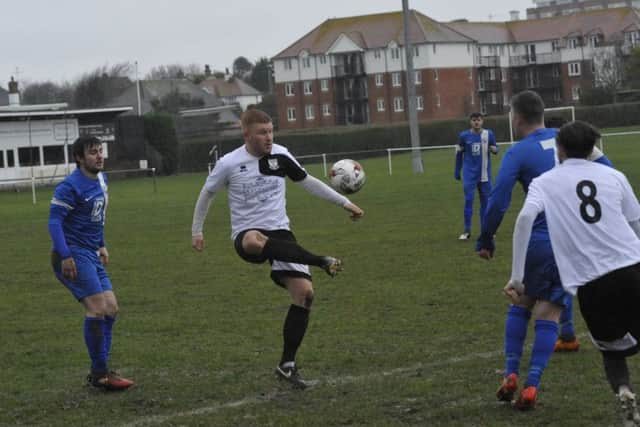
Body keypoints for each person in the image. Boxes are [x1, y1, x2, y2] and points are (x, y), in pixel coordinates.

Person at [191, 109, 364, 389]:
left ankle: (287, 365)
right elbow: (207, 193)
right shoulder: (229, 163)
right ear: (246, 134)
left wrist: (345, 203)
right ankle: (321, 260)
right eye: (262, 132)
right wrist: (197, 231)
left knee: (305, 295)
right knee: (252, 240)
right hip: (247, 234)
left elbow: (308, 182)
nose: (268, 137)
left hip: (281, 235)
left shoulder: (281, 155)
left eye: (271, 131)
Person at [476, 91, 611, 409]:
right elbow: (609, 172)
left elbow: (498, 199)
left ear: (517, 118)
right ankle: (532, 385)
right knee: (550, 310)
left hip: (536, 239)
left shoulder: (518, 152)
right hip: (572, 242)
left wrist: (486, 239)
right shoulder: (572, 139)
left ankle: (510, 373)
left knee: (521, 303)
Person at [507, 120, 640, 426]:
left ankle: (623, 390)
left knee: (612, 350)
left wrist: (517, 277)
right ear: (593, 148)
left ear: (560, 148)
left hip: (593, 283)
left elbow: (525, 218)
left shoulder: (545, 181)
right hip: (633, 267)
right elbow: (636, 221)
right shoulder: (614, 175)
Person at [48, 136, 134, 391]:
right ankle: (100, 374)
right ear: (79, 158)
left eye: (100, 151)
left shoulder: (101, 180)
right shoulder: (69, 186)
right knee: (97, 309)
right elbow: (54, 223)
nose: (99, 156)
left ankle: (101, 370)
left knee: (111, 308)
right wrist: (65, 255)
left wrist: (101, 243)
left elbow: (96, 218)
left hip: (91, 252)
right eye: (93, 152)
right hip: (72, 253)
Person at [543, 116, 613, 352]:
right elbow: (609, 171)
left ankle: (569, 333)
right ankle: (569, 333)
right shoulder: (583, 149)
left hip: (575, 225)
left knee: (569, 277)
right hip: (589, 224)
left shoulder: (560, 148)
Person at [454, 112, 499, 240]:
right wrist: (457, 171)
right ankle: (467, 231)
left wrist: (495, 149)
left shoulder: (488, 134)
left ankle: (486, 231)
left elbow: (496, 148)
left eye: (478, 120)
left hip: (484, 174)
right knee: (468, 201)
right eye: (474, 120)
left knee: (486, 203)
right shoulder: (464, 136)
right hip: (469, 175)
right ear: (470, 122)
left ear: (482, 121)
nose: (476, 122)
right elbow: (459, 154)